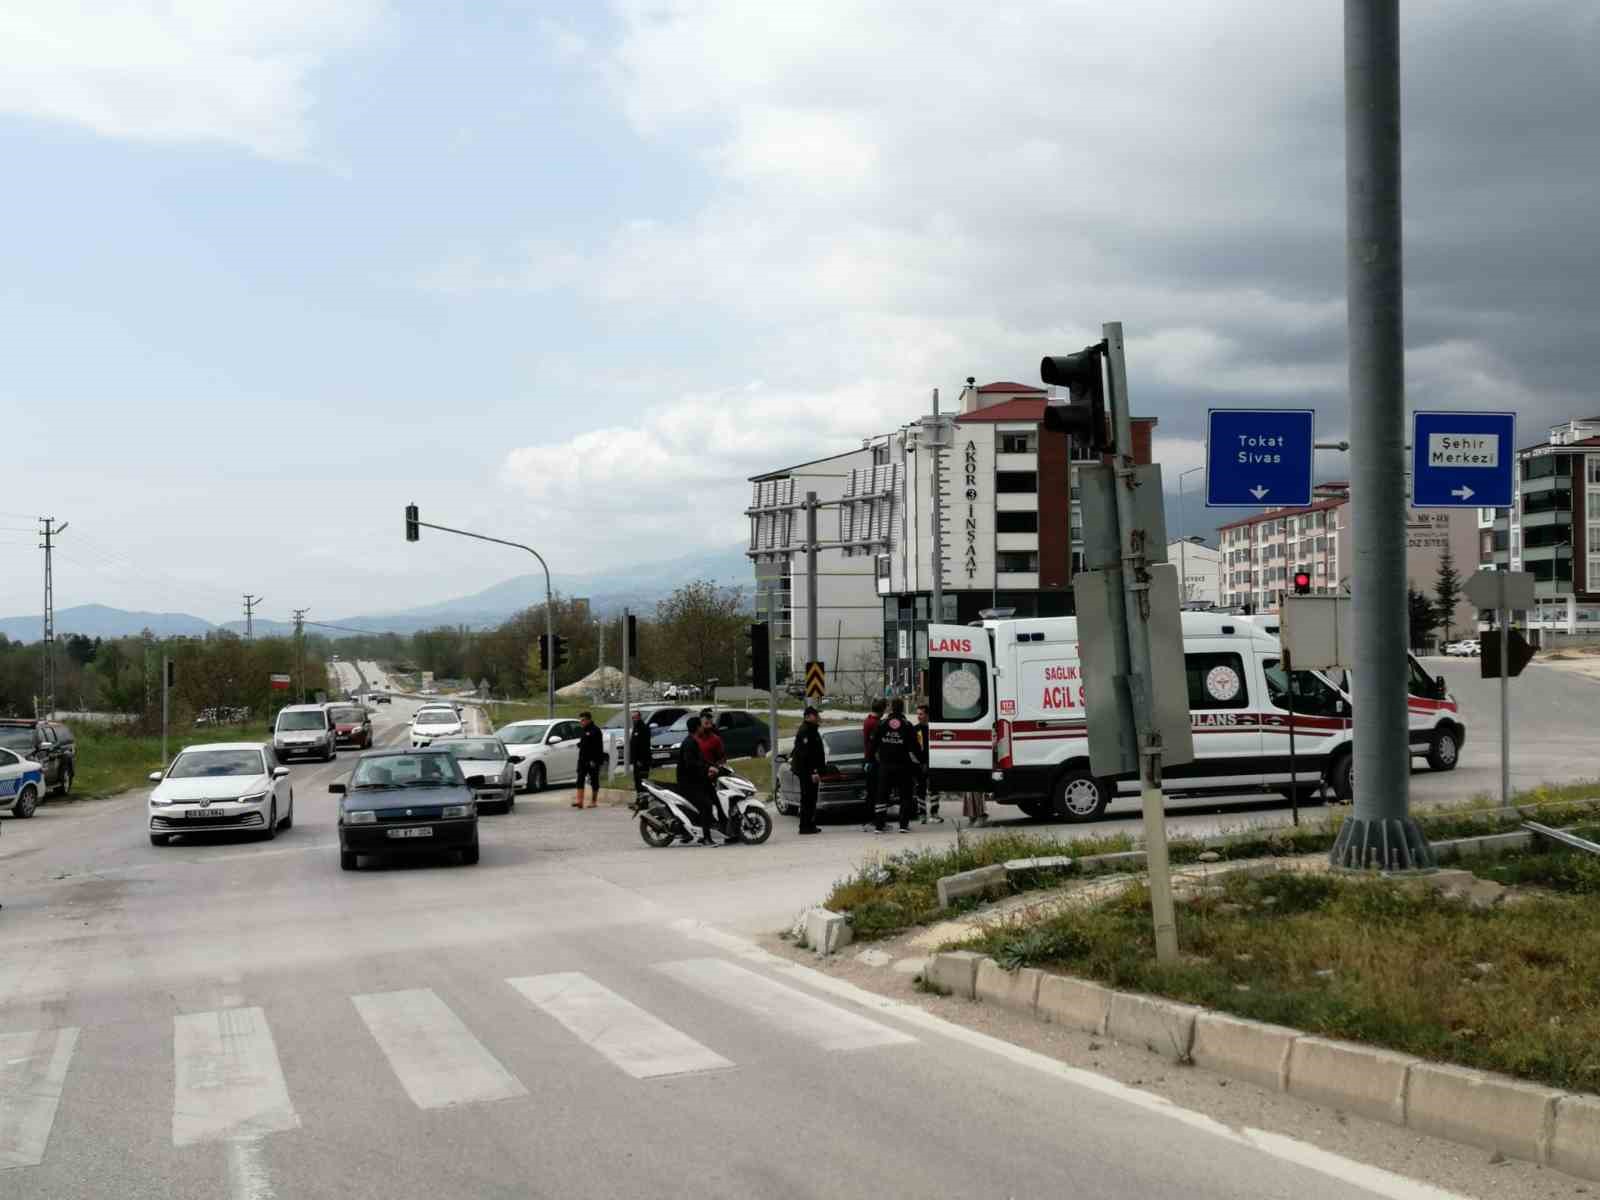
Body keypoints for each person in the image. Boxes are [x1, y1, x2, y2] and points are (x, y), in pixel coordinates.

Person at [870, 697, 921, 833]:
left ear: (891, 708)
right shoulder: (907, 725)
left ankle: (879, 826)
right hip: (903, 767)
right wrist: (920, 762)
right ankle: (903, 826)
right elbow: (914, 748)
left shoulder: (882, 724)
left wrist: (870, 761)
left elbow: (873, 745)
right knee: (905, 796)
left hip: (885, 766)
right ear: (903, 708)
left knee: (882, 796)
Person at [676, 716, 718, 845]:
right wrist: (707, 768)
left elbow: (700, 760)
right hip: (689, 782)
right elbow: (691, 764)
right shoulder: (689, 743)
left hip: (696, 779)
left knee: (713, 797)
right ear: (697, 728)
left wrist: (713, 766)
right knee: (706, 805)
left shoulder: (693, 741)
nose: (703, 727)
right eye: (701, 725)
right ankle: (706, 838)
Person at [789, 706, 825, 835]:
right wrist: (813, 771)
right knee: (808, 798)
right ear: (808, 716)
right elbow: (806, 754)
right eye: (815, 715)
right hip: (807, 771)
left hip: (810, 770)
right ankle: (805, 826)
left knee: (811, 798)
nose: (818, 717)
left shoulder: (811, 730)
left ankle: (810, 824)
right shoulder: (805, 731)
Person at [861, 698, 886, 831]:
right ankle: (873, 821)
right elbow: (874, 745)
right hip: (874, 762)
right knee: (876, 793)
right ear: (882, 710)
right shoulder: (875, 724)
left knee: (871, 792)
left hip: (869, 760)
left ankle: (869, 820)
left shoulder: (867, 720)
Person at [914, 703, 941, 823]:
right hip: (920, 764)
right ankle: (922, 814)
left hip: (933, 762)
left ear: (927, 715)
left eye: (921, 714)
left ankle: (934, 814)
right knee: (920, 789)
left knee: (934, 789)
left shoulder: (934, 728)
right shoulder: (915, 729)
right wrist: (919, 763)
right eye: (918, 714)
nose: (918, 716)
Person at [573, 711, 605, 809]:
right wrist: (580, 745)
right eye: (580, 720)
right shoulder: (583, 730)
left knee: (594, 780)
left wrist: (594, 760)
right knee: (580, 779)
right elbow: (584, 743)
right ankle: (579, 801)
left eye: (583, 720)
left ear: (589, 720)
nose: (581, 722)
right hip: (582, 759)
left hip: (592, 760)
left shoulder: (595, 730)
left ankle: (594, 801)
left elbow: (597, 747)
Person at [628, 712, 652, 793]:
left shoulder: (643, 728)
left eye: (635, 717)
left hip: (642, 761)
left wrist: (641, 760)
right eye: (633, 718)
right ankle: (638, 800)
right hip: (636, 761)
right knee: (637, 781)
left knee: (642, 782)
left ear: (639, 717)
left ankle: (643, 801)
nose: (634, 720)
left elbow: (644, 746)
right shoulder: (635, 728)